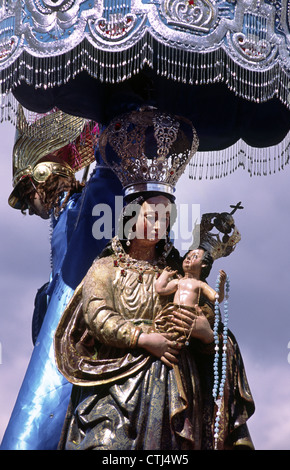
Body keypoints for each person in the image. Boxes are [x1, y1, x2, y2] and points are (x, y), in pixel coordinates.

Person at [54, 108, 255, 450]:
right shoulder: (105, 269)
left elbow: (215, 331)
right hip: (112, 393)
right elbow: (98, 314)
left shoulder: (179, 272)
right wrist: (143, 338)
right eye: (152, 215)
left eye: (167, 217)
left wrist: (206, 336)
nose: (160, 224)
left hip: (175, 395)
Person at [1, 107, 122, 450]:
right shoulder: (67, 212)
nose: (28, 207)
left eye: (27, 195)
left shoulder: (77, 206)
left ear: (42, 177)